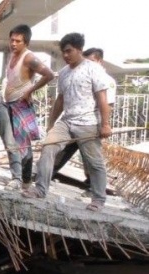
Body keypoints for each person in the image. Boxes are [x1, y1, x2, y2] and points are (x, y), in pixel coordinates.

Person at [23, 33, 112, 211]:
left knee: (94, 162)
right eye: (63, 52)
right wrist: (51, 123)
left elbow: (102, 98)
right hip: (66, 121)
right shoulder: (63, 73)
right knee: (48, 148)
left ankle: (98, 200)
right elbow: (60, 101)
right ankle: (40, 189)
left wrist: (105, 124)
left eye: (69, 51)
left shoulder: (93, 69)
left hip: (87, 123)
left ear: (79, 49)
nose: (65, 55)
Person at [51, 47, 117, 185]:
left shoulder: (106, 80)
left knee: (91, 159)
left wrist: (104, 125)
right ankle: (47, 175)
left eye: (91, 61)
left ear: (99, 61)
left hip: (92, 123)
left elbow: (108, 105)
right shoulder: (80, 73)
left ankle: (93, 187)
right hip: (74, 121)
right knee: (62, 150)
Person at [4, 24, 55, 188]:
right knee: (12, 143)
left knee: (22, 145)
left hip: (21, 105)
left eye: (17, 41)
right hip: (10, 104)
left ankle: (22, 180)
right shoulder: (12, 56)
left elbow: (49, 74)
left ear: (25, 42)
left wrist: (30, 91)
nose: (13, 44)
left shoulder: (28, 57)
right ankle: (22, 179)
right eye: (11, 40)